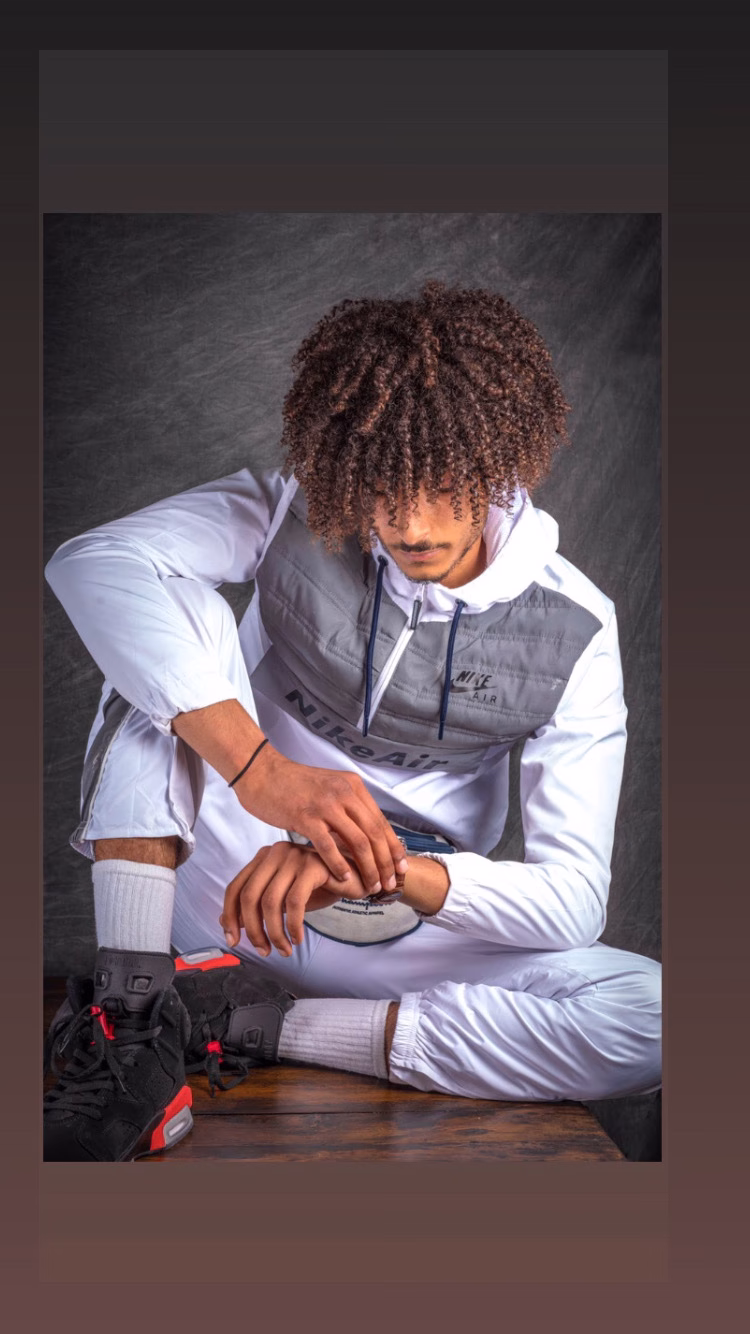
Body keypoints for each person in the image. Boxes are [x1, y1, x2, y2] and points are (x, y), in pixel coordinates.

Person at [43, 280, 661, 1161]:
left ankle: (249, 1023)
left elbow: (574, 903)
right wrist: (265, 775)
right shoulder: (287, 513)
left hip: (404, 935)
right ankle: (134, 1027)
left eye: (441, 484)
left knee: (663, 1017)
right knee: (161, 630)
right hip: (229, 885)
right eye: (381, 485)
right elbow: (93, 562)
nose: (410, 522)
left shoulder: (577, 628)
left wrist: (383, 870)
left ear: (497, 463)